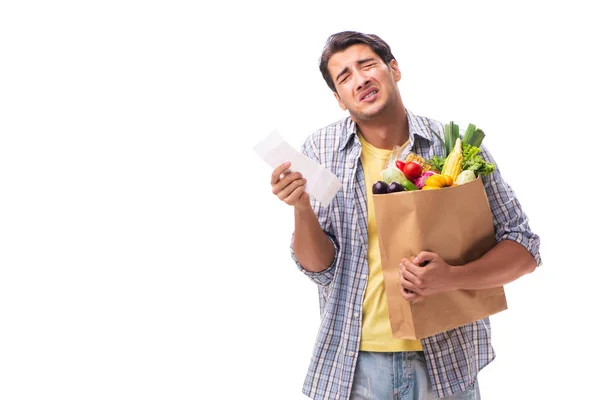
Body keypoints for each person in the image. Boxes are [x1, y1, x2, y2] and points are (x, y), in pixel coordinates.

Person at [269, 31, 541, 400]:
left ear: (393, 69)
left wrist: (452, 278)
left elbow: (524, 247)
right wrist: (301, 207)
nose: (360, 79)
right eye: (344, 76)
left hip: (448, 365)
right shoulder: (321, 149)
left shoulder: (452, 145)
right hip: (356, 367)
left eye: (367, 65)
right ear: (338, 98)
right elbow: (320, 269)